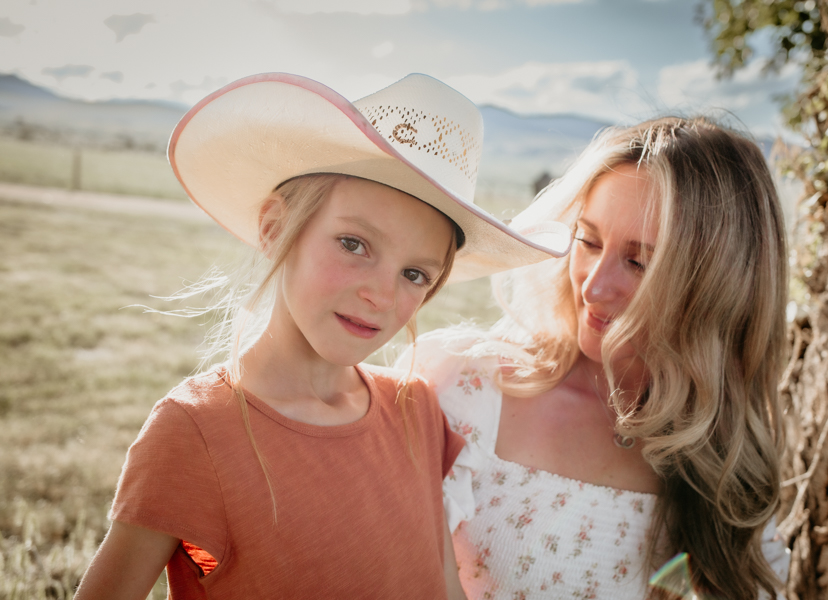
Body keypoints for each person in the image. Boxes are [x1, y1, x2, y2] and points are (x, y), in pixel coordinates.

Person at [73, 72, 570, 599]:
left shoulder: (416, 411)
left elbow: (440, 585)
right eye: (354, 244)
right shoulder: (194, 432)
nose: (380, 294)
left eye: (414, 274)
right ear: (275, 229)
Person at [401, 117, 791, 599]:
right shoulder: (465, 387)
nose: (593, 285)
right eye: (587, 241)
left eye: (639, 262)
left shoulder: (727, 458)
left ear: (717, 289)